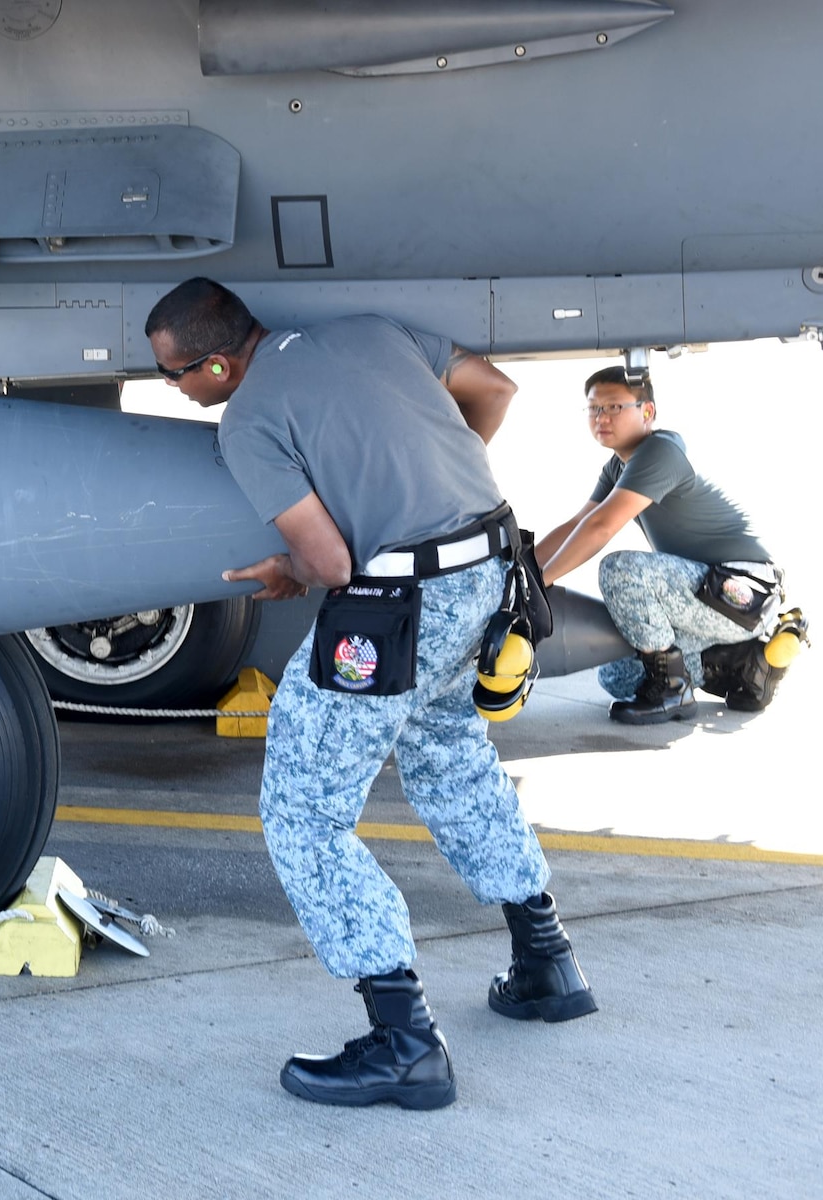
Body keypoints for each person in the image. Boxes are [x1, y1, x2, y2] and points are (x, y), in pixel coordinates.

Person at [145, 278, 596, 1111]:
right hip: (493, 576)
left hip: (399, 610)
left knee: (305, 815)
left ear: (213, 366)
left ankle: (405, 1043)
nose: (175, 391)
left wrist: (286, 572)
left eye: (173, 377)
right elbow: (494, 389)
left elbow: (332, 566)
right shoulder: (370, 332)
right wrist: (435, 493)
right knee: (453, 758)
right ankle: (546, 961)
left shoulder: (247, 422)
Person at [536, 367, 791, 722]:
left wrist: (540, 582)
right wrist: (523, 571)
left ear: (647, 412)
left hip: (741, 588)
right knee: (617, 677)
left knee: (620, 569)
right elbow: (577, 524)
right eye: (593, 409)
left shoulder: (659, 451)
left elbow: (600, 527)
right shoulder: (617, 466)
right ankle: (746, 663)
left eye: (613, 407)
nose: (601, 418)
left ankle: (673, 692)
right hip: (703, 596)